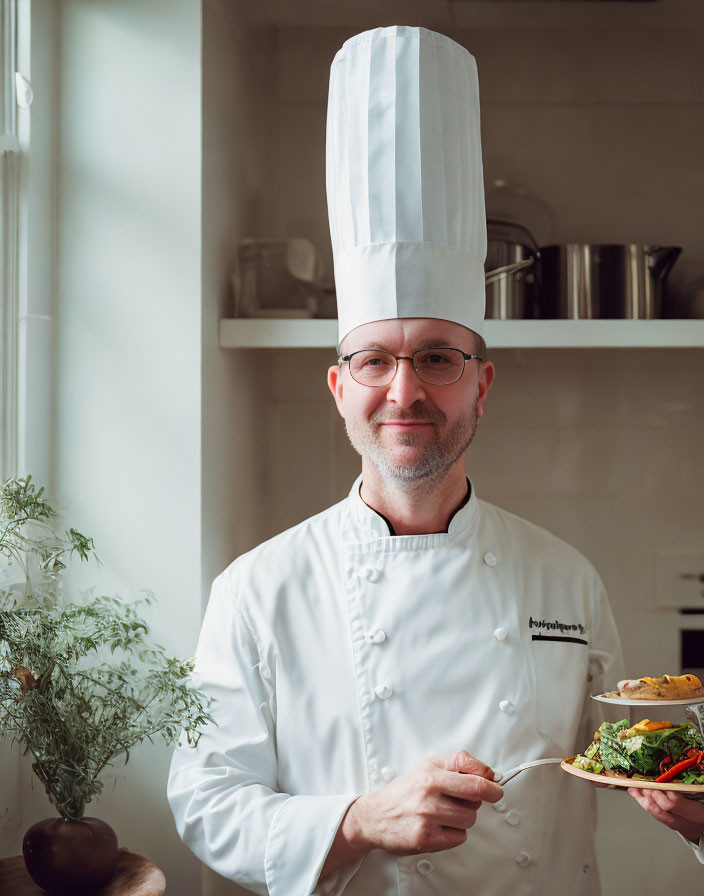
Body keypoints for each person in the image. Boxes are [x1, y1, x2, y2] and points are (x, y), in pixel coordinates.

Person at [167, 25, 704, 895]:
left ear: (482, 385)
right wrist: (356, 819)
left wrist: (693, 811)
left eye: (437, 359)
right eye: (375, 360)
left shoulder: (567, 581)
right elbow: (202, 801)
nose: (405, 393)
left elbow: (644, 761)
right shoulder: (257, 592)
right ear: (339, 386)